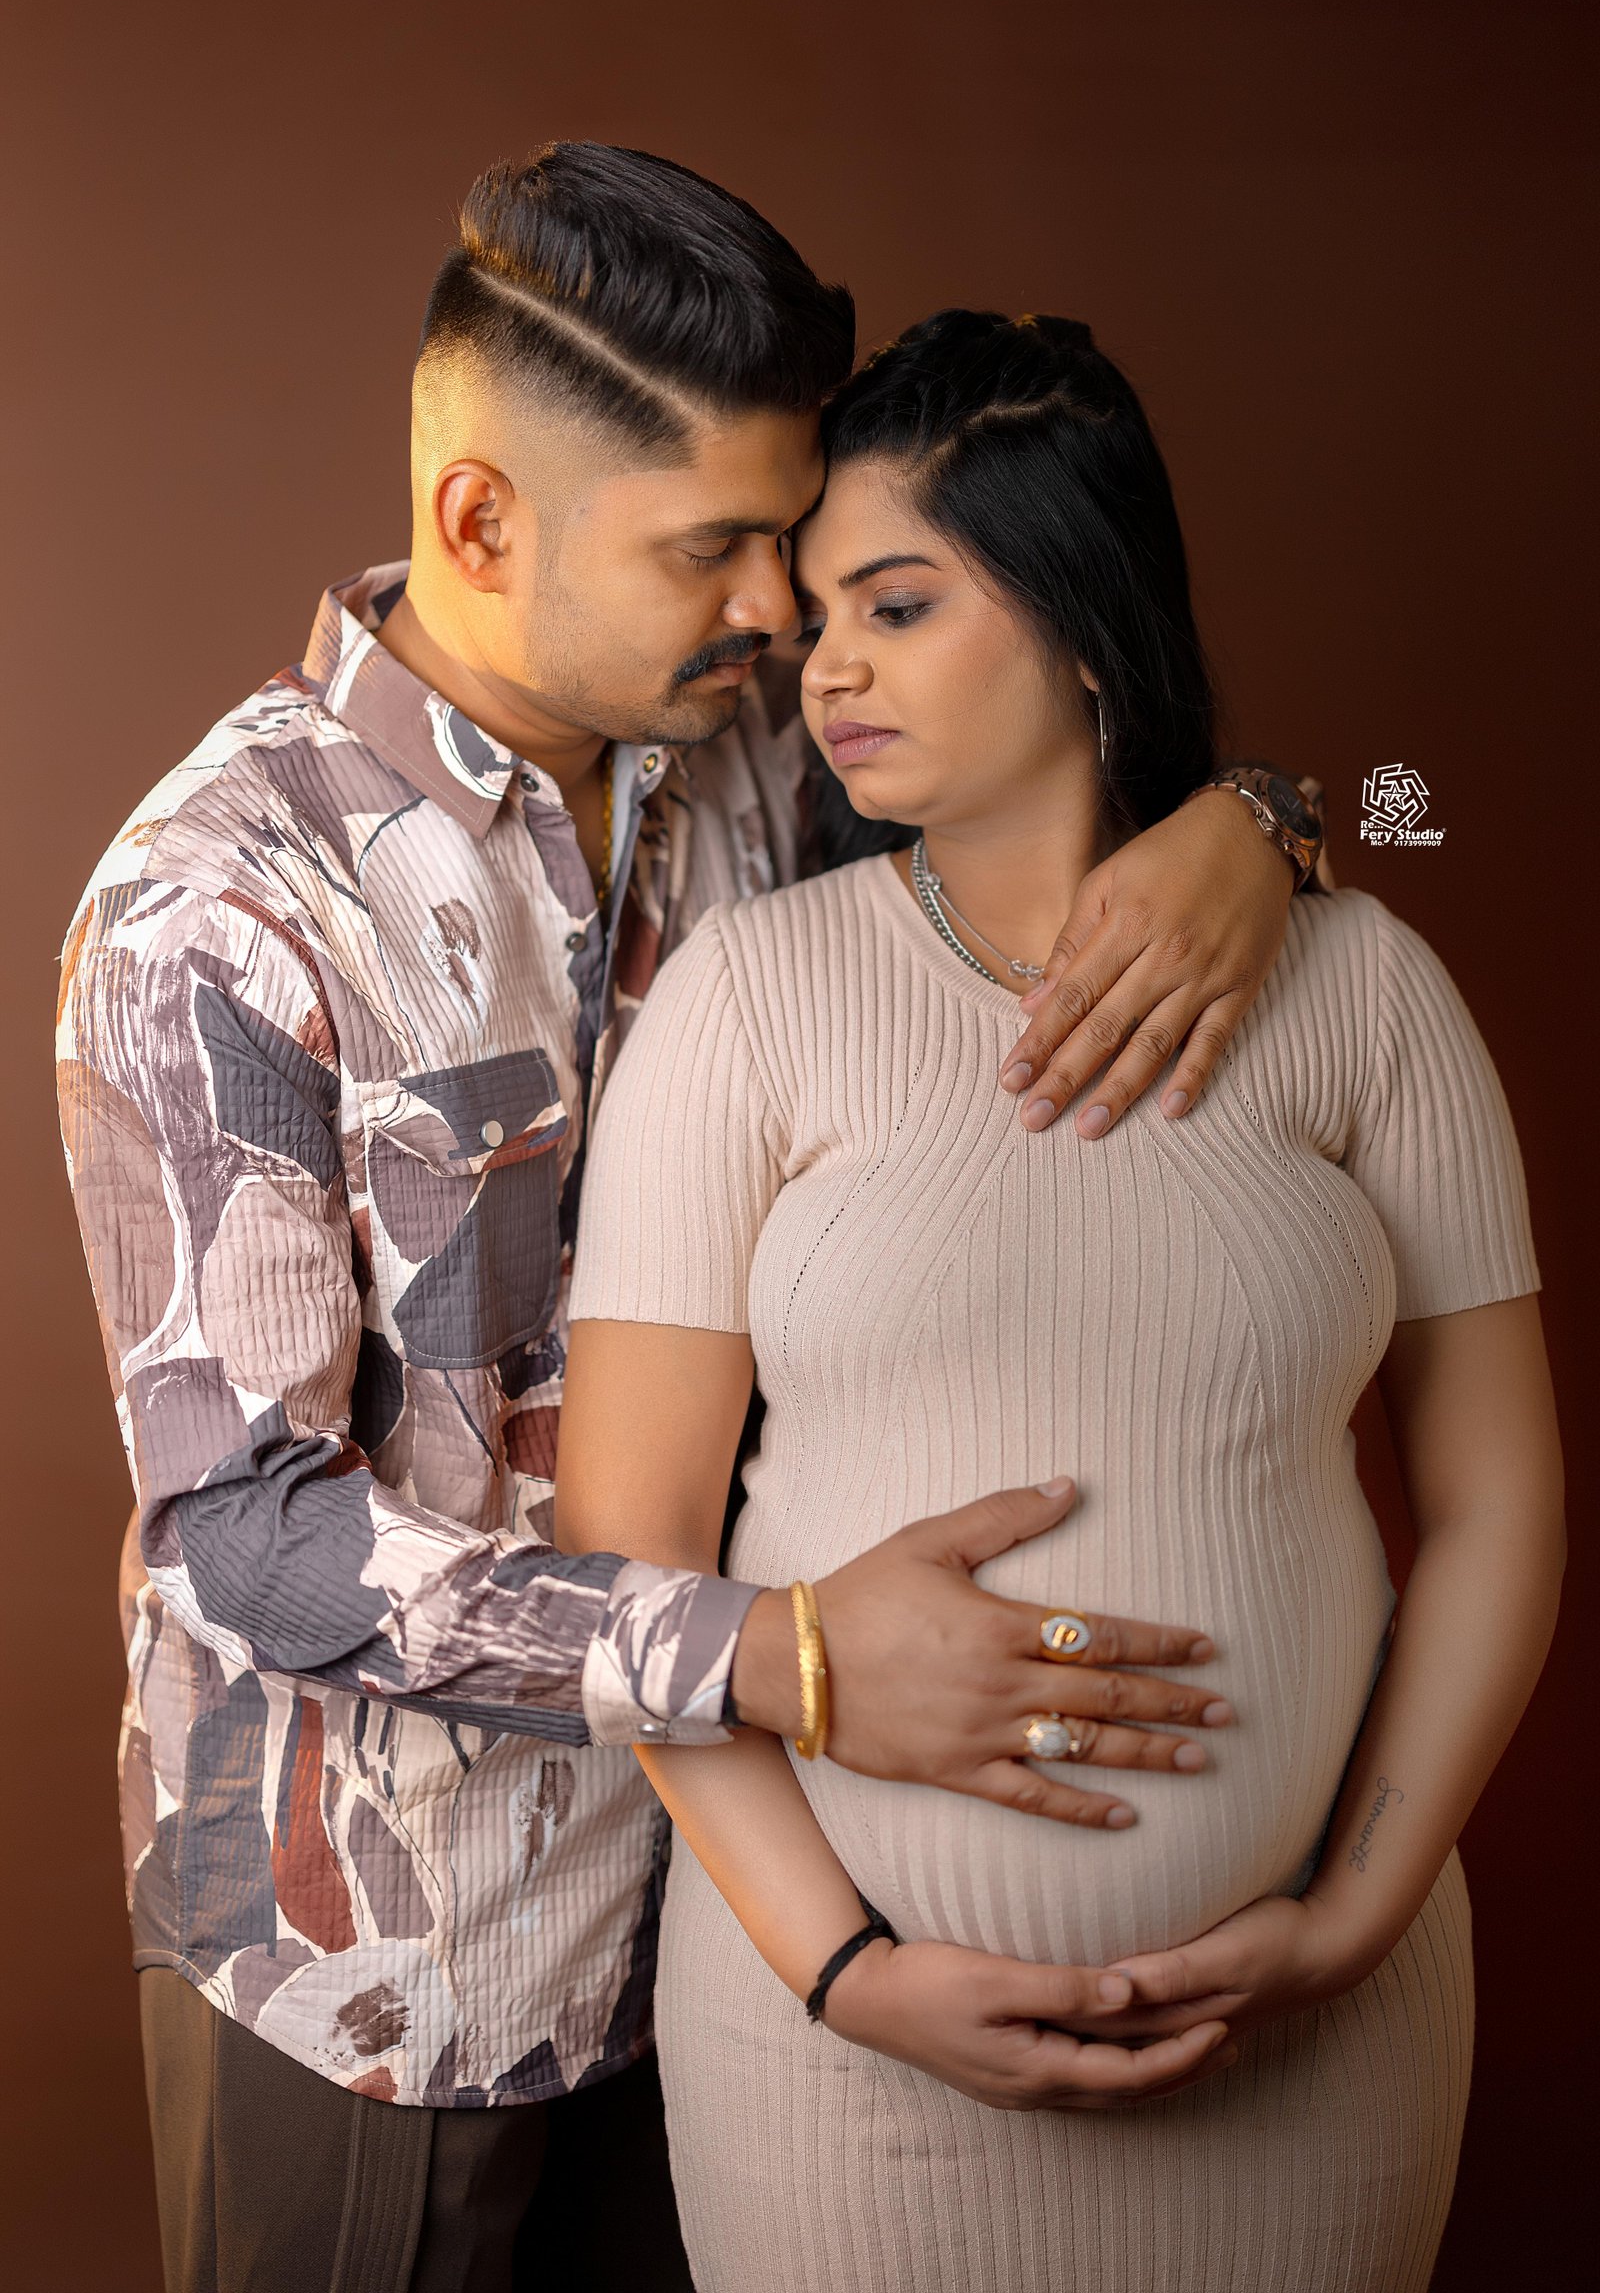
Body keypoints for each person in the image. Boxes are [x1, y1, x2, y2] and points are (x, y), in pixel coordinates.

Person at [58, 149, 1324, 2292]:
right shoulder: (214, 907)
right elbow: (248, 1535)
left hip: (733, 1945)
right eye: (715, 547)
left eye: (791, 541)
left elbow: (1337, 785)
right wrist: (787, 1661)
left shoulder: (751, 753)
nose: (780, 607)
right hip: (384, 1976)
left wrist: (1267, 818)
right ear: (482, 523)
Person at [555, 308, 1564, 2292]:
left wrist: (1348, 1924)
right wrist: (846, 1971)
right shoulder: (747, 998)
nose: (826, 666)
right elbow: (627, 1539)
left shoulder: (1363, 983)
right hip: (837, 2071)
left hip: (1313, 2056)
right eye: (818, 617)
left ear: (1090, 619)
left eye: (898, 604)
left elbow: (1498, 1501)